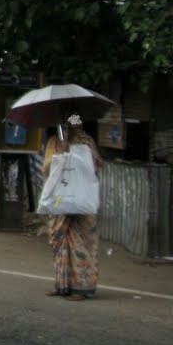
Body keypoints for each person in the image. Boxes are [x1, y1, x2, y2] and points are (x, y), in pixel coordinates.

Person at [42, 111, 103, 301]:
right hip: (61, 197)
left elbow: (97, 164)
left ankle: (81, 288)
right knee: (59, 240)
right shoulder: (55, 141)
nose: (74, 125)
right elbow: (46, 168)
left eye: (76, 121)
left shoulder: (86, 142)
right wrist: (62, 153)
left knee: (81, 243)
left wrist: (75, 155)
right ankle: (63, 285)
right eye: (69, 121)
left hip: (82, 197)